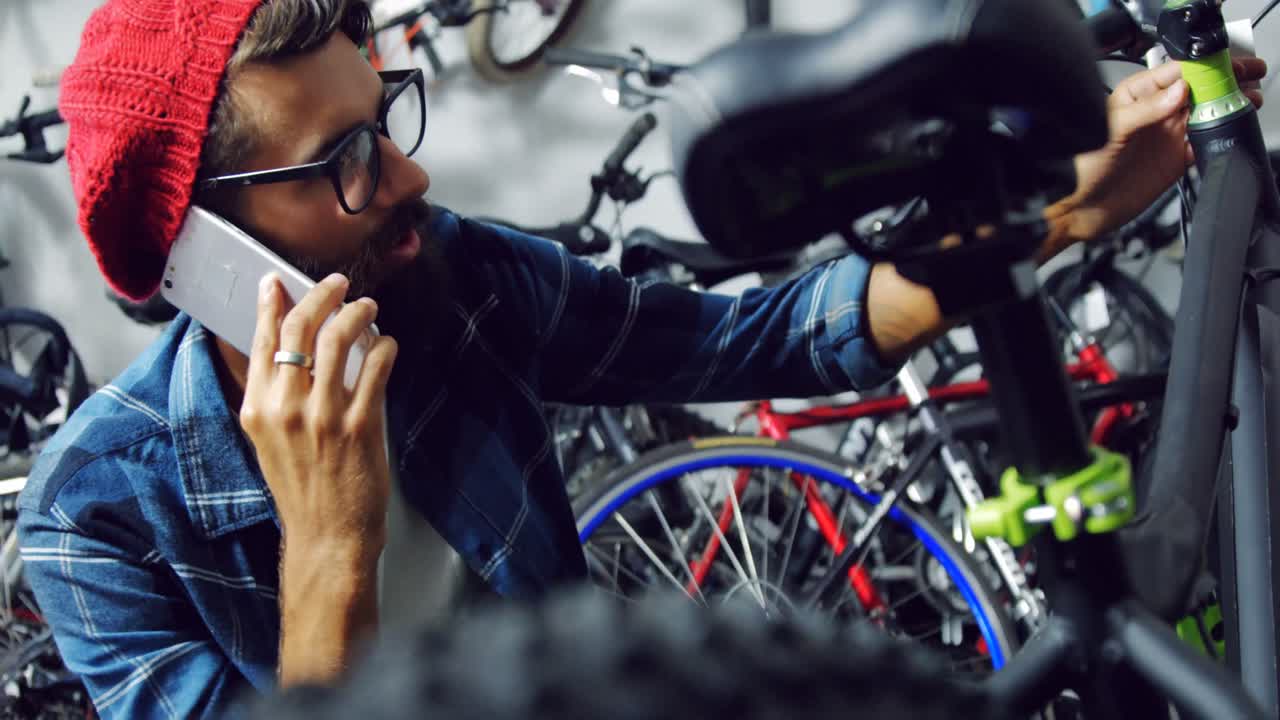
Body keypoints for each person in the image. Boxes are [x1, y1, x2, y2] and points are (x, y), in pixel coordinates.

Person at [14, 0, 1264, 717]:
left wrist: (1052, 214)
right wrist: (329, 548)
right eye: (344, 161)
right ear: (203, 256)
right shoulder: (95, 514)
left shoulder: (455, 280)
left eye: (385, 122)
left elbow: (747, 335)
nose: (409, 175)